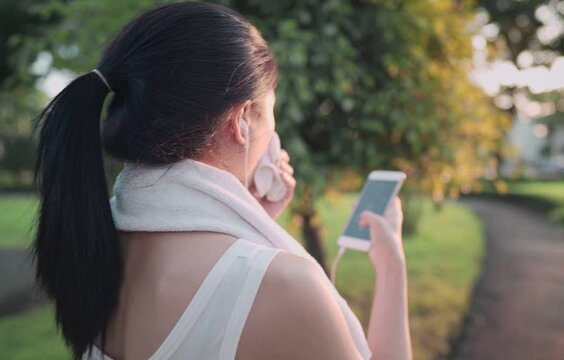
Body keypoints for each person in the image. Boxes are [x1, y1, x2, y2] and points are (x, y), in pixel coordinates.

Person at [32, 2, 411, 359]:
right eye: (270, 119)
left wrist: (251, 228)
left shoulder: (91, 242)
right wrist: (391, 265)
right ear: (241, 121)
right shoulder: (287, 287)